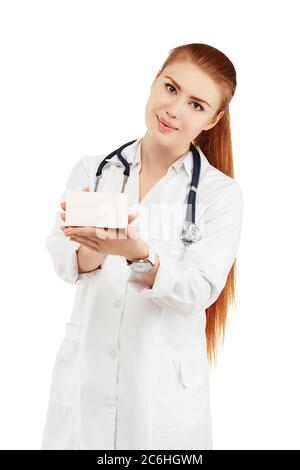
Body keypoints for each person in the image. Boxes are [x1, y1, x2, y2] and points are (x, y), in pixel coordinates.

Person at [41, 43, 243, 450]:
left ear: (214, 119)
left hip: (162, 402)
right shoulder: (94, 170)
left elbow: (199, 291)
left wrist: (138, 255)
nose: (174, 110)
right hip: (85, 384)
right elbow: (64, 261)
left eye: (196, 105)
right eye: (170, 89)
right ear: (154, 83)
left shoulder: (219, 195)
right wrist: (96, 249)